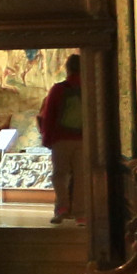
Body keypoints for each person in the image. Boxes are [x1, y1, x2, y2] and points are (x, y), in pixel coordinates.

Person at [37, 53, 86, 223]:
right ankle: (81, 214)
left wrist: (47, 139)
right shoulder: (89, 88)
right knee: (81, 177)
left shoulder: (59, 89)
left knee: (59, 175)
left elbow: (49, 115)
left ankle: (62, 208)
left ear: (68, 68)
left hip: (61, 139)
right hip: (83, 140)